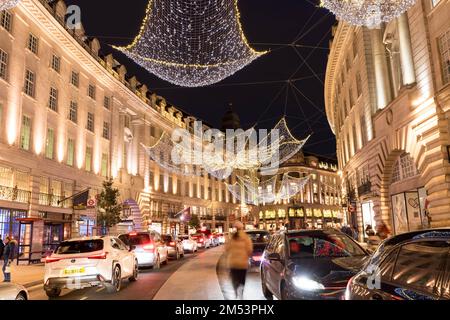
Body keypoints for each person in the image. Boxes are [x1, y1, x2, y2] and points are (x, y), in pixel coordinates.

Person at [225, 222, 253, 300]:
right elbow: (249, 249)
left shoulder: (232, 238)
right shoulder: (246, 238)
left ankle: (236, 290)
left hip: (233, 263)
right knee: (242, 279)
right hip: (243, 264)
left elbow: (227, 248)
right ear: (242, 228)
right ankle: (240, 291)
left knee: (234, 279)